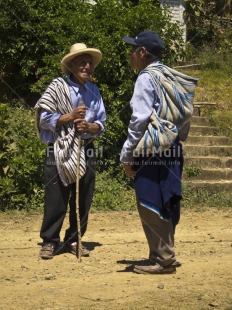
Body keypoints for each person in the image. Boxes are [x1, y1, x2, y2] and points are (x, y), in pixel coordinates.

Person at [120, 31, 197, 274]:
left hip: (151, 150)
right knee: (166, 197)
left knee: (150, 199)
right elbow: (184, 114)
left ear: (142, 53)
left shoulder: (145, 78)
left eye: (133, 50)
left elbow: (139, 119)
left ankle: (163, 259)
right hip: (171, 147)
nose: (131, 55)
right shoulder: (168, 75)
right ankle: (162, 253)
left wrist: (127, 155)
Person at [35, 43, 106, 259]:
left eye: (90, 63)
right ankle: (49, 240)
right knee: (55, 195)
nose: (87, 66)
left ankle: (74, 239)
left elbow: (101, 123)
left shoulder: (94, 91)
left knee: (83, 196)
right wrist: (68, 117)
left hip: (86, 149)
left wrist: (89, 127)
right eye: (82, 62)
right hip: (59, 148)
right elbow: (43, 117)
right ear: (71, 65)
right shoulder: (57, 87)